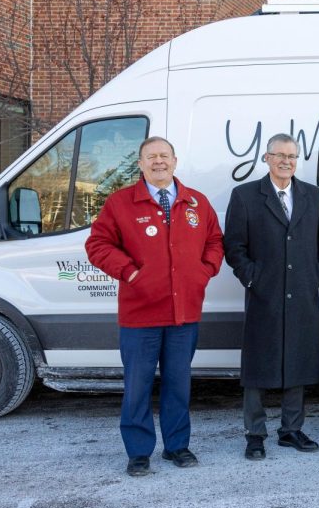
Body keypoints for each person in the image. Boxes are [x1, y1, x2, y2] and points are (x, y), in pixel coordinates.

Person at [85, 136, 224, 477]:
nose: (158, 162)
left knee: (179, 384)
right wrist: (131, 272)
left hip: (184, 314)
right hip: (140, 316)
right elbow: (97, 244)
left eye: (164, 156)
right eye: (151, 157)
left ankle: (177, 446)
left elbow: (215, 241)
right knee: (138, 387)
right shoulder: (121, 203)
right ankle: (138, 452)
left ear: (175, 161)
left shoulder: (197, 203)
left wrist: (203, 272)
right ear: (141, 163)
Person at [224, 133, 319, 460]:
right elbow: (234, 247)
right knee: (258, 365)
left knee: (297, 360)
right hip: (264, 294)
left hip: (301, 293)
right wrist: (253, 278)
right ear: (267, 158)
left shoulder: (312, 195)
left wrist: (316, 276)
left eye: (292, 156)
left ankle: (291, 430)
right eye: (280, 155)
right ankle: (255, 433)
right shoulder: (245, 196)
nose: (286, 161)